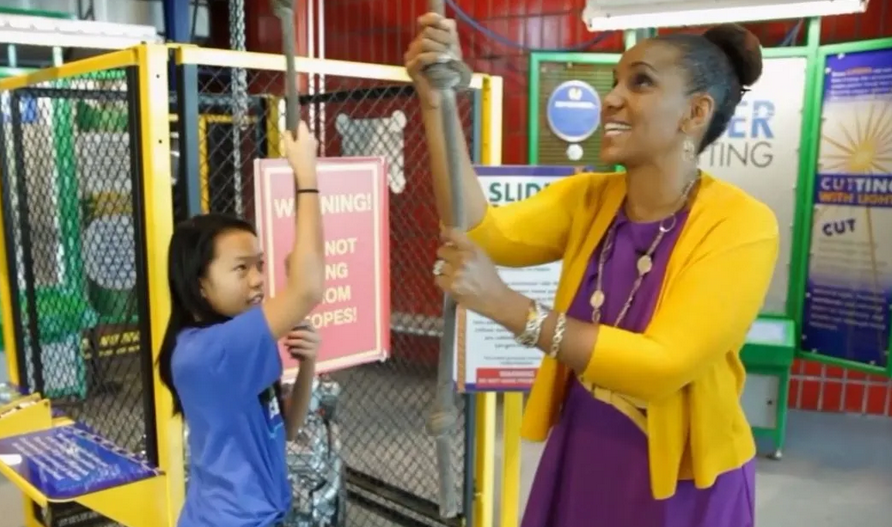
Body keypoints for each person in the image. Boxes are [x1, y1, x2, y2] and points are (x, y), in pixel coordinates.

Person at [407, 14, 777, 527]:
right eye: (616, 83)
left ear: (695, 112)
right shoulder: (589, 197)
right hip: (586, 448)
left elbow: (664, 364)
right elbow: (480, 230)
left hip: (685, 479)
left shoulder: (742, 224)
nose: (611, 99)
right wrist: (437, 102)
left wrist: (508, 308)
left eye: (641, 82)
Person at [158, 121, 326, 527]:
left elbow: (282, 428)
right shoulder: (209, 351)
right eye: (241, 269)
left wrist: (307, 366)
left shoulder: (237, 335)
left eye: (260, 266)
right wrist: (306, 176)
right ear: (199, 282)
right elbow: (307, 288)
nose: (258, 279)